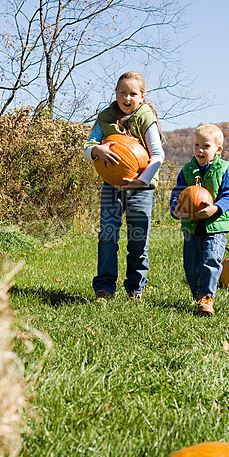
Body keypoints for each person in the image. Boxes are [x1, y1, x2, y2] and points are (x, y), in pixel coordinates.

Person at [83, 71, 165, 302]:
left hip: (141, 186)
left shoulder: (145, 118)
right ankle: (105, 288)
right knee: (108, 235)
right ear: (116, 94)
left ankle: (135, 288)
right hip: (112, 185)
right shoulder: (106, 118)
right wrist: (97, 150)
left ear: (142, 96)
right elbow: (86, 148)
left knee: (138, 238)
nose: (127, 98)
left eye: (132, 94)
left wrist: (142, 180)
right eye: (122, 93)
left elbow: (158, 155)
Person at [170, 123, 229, 316]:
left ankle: (206, 298)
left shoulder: (224, 170)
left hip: (214, 225)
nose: (200, 150)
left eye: (206, 146)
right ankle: (197, 296)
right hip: (191, 226)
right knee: (191, 266)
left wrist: (216, 208)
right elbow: (178, 194)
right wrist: (176, 210)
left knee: (211, 259)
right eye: (196, 145)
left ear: (217, 150)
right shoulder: (188, 170)